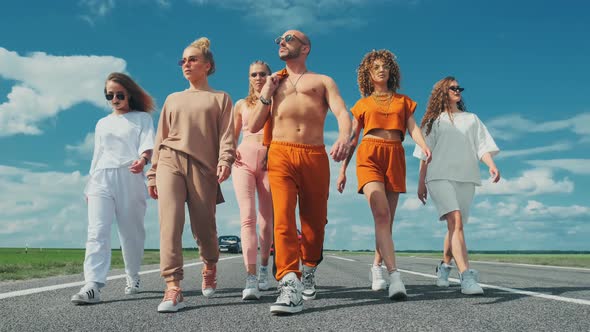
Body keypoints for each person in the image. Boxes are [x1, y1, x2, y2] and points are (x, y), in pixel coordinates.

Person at [249, 30, 352, 314]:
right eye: (279, 40)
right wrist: (266, 94)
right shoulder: (273, 83)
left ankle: (309, 267)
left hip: (314, 154)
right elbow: (255, 126)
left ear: (305, 47)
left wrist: (344, 137)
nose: (281, 42)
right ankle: (289, 284)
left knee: (314, 223)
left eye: (289, 38)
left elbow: (344, 113)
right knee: (282, 217)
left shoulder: (322, 81)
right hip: (281, 151)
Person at [146, 37, 235, 313]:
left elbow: (227, 135)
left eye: (192, 59)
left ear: (208, 65)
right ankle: (173, 287)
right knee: (169, 225)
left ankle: (209, 264)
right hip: (170, 161)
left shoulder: (220, 98)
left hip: (203, 167)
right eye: (183, 60)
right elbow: (161, 138)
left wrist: (226, 159)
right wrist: (153, 172)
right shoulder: (173, 99)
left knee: (204, 228)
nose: (186, 64)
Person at [336, 50, 431, 300]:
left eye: (385, 66)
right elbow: (353, 139)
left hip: (395, 155)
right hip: (369, 155)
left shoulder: (403, 101)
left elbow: (413, 128)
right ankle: (395, 277)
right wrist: (343, 169)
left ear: (392, 72)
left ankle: (376, 265)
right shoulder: (362, 104)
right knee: (380, 213)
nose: (381, 70)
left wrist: (423, 145)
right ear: (368, 73)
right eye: (376, 67)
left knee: (386, 221)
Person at [71, 72, 156, 304]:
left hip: (130, 174)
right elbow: (96, 155)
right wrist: (90, 185)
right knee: (97, 231)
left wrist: (143, 159)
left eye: (119, 94)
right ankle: (93, 285)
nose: (115, 99)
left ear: (129, 94)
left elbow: (148, 144)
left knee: (132, 234)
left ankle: (133, 275)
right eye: (110, 95)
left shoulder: (142, 118)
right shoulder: (102, 123)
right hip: (101, 178)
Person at [413, 76, 500, 295]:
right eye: (452, 88)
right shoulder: (433, 121)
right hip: (438, 176)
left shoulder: (472, 119)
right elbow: (424, 156)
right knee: (456, 220)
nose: (457, 90)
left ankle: (444, 267)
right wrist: (421, 183)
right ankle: (467, 277)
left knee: (454, 227)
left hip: (466, 177)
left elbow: (482, 147)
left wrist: (491, 165)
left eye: (459, 87)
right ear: (442, 92)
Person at [232, 60, 274, 300]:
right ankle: (250, 277)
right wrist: (225, 158)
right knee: (247, 217)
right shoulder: (241, 104)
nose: (258, 78)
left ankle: (264, 268)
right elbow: (231, 135)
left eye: (262, 74)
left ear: (270, 77)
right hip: (243, 161)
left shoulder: (277, 102)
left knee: (266, 219)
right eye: (253, 75)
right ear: (249, 78)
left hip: (270, 161)